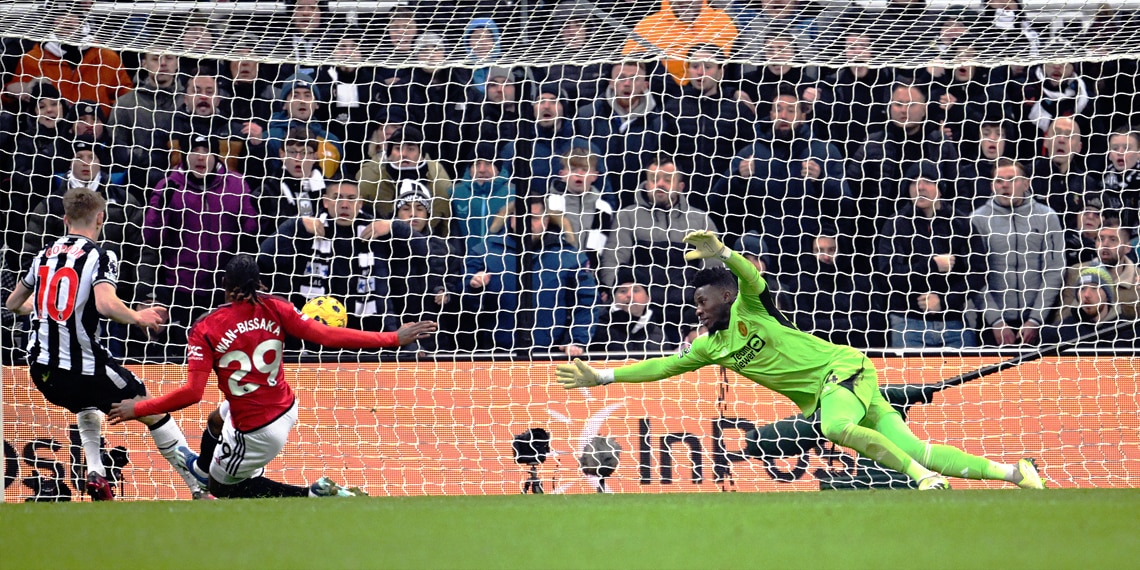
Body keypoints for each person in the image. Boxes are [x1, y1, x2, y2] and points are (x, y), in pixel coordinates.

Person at [555, 230, 1047, 491]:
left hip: (844, 368)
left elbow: (749, 276)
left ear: (725, 295)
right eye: (695, 303)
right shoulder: (708, 346)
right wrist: (601, 375)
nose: (697, 308)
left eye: (704, 300)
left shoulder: (749, 304)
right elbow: (660, 367)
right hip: (832, 389)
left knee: (836, 429)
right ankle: (1014, 472)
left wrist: (724, 252)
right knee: (914, 448)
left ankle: (922, 482)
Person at [108, 254, 438, 499]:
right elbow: (327, 337)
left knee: (222, 490)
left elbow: (193, 392)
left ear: (225, 287)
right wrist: (393, 338)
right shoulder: (277, 308)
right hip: (284, 406)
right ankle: (202, 468)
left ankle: (312, 495)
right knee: (216, 419)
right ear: (259, 284)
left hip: (256, 431)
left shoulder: (205, 329)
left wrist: (138, 409)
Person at [4, 187, 209, 500]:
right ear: (101, 218)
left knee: (85, 406)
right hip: (83, 367)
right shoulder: (100, 256)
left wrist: (47, 308)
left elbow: (14, 302)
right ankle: (199, 486)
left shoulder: (43, 256)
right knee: (150, 408)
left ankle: (97, 473)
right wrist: (139, 317)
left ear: (64, 219)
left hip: (43, 371)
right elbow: (106, 305)